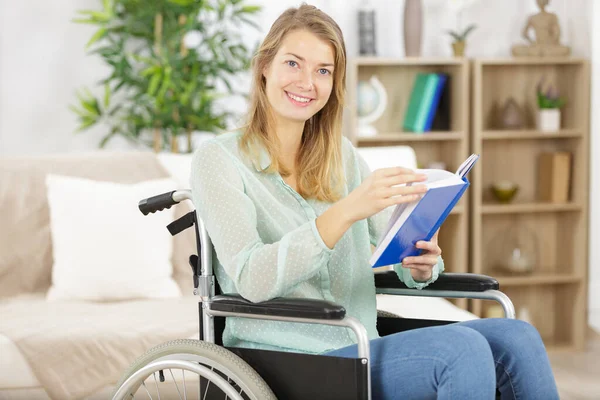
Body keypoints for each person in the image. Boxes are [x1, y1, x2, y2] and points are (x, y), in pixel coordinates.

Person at [190, 4, 560, 399]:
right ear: (265, 65)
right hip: (284, 354)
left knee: (517, 337)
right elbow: (251, 277)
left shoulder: (342, 158)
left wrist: (419, 265)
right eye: (293, 63)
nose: (307, 82)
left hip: (361, 341)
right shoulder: (220, 160)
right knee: (459, 350)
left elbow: (390, 249)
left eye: (322, 70)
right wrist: (345, 212)